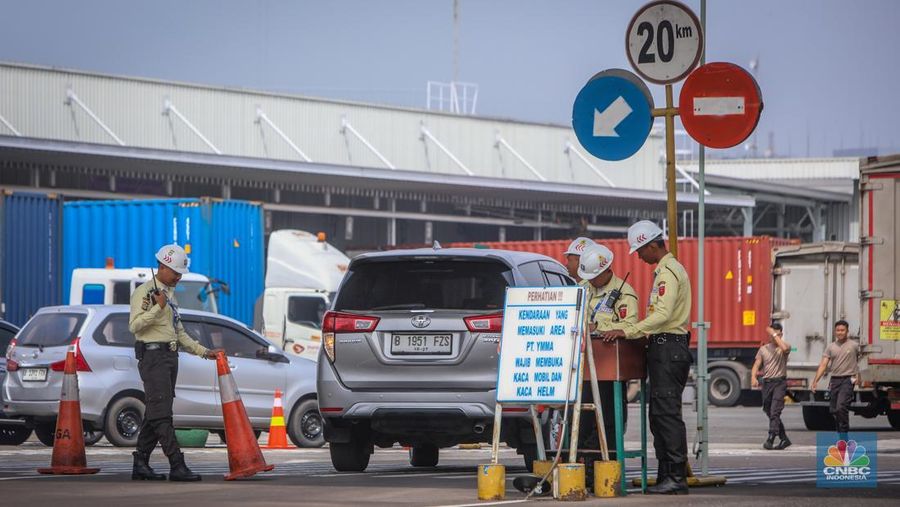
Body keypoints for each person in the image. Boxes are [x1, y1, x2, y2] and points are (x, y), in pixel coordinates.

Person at [599, 220, 692, 495]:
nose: (639, 256)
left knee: (666, 415)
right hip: (663, 347)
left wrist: (628, 330)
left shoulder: (668, 273)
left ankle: (675, 476)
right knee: (659, 415)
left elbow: (662, 316)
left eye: (640, 250)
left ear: (653, 245)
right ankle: (667, 474)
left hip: (669, 347)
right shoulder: (664, 271)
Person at [129, 244, 222, 481]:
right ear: (162, 266)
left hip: (169, 357)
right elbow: (135, 326)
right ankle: (177, 464)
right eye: (176, 272)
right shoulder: (145, 293)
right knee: (162, 415)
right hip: (153, 357)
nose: (179, 277)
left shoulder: (169, 295)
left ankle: (140, 463)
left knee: (156, 412)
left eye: (181, 273)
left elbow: (179, 333)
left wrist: (204, 352)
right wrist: (157, 309)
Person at [577, 244, 639, 471]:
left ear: (606, 270)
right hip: (583, 367)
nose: (591, 281)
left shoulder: (625, 293)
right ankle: (580, 466)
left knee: (610, 421)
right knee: (581, 420)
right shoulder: (583, 288)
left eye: (594, 276)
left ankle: (606, 467)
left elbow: (630, 326)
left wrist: (600, 326)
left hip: (609, 369)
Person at [812, 320, 860, 435]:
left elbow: (862, 362)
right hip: (835, 380)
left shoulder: (854, 346)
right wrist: (815, 381)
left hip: (848, 380)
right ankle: (840, 431)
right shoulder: (831, 347)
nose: (840, 332)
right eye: (838, 330)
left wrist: (859, 376)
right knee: (834, 410)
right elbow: (823, 364)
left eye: (842, 330)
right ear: (835, 332)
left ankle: (844, 433)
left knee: (841, 407)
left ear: (847, 331)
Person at [751, 323, 791, 450]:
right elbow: (757, 364)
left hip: (780, 382)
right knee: (768, 410)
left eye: (778, 334)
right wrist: (753, 377)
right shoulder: (764, 349)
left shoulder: (784, 347)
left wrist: (774, 334)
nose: (774, 337)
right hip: (767, 383)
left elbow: (785, 349)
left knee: (775, 411)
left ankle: (771, 437)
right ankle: (784, 438)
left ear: (781, 334)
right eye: (773, 334)